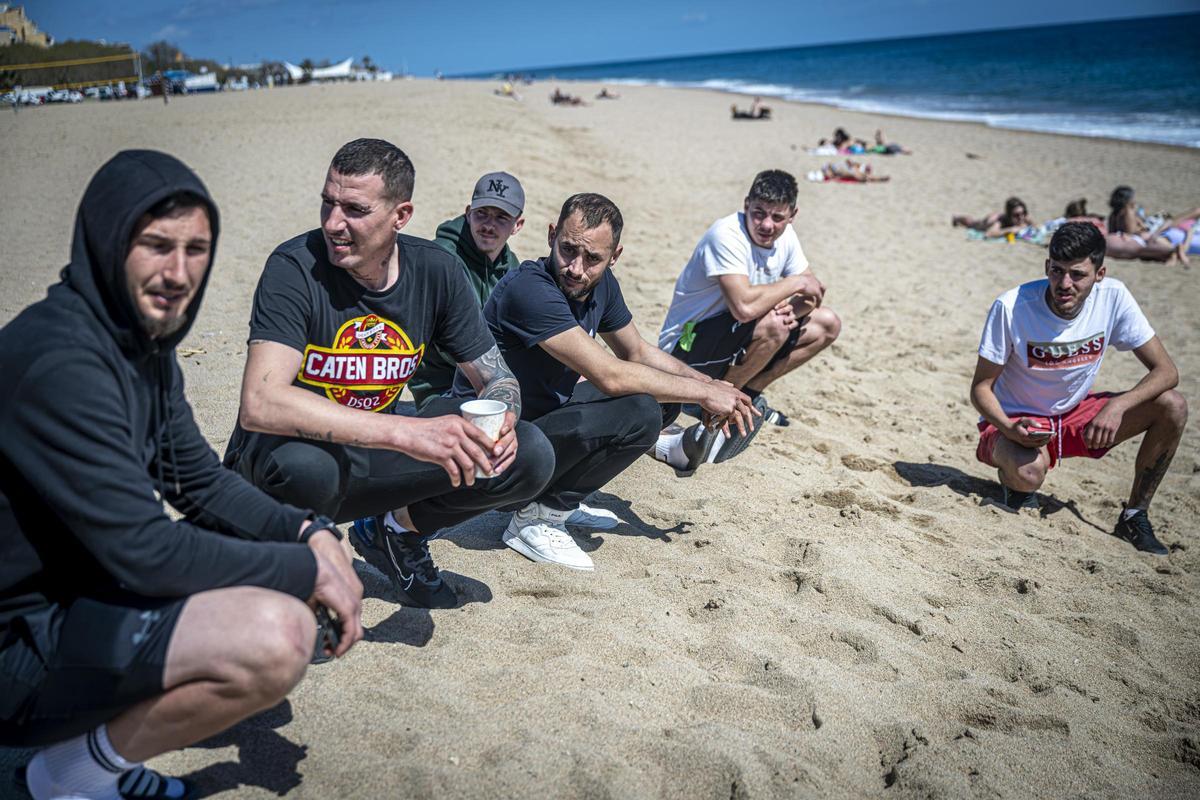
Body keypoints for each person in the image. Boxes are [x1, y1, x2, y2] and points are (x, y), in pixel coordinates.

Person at [0, 150, 364, 800]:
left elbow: (199, 483)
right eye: (156, 245)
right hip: (15, 641)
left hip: (78, 592)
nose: (178, 273)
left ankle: (78, 760)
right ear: (108, 244)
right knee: (278, 636)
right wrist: (310, 572)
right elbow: (146, 552)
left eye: (197, 249)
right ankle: (58, 778)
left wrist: (309, 532)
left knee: (277, 575)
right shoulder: (63, 364)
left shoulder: (142, 343)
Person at [223, 139, 555, 609]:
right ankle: (290, 581)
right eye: (328, 203)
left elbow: (496, 378)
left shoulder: (435, 271)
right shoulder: (294, 267)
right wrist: (407, 433)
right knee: (311, 468)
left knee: (529, 454)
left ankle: (396, 531)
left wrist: (502, 415)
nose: (334, 223)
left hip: (366, 453)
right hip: (280, 465)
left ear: (401, 215)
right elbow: (261, 403)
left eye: (355, 210)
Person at [452, 193, 756, 571]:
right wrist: (706, 394)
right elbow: (609, 375)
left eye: (592, 258)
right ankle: (537, 517)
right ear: (551, 236)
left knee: (662, 399)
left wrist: (711, 385)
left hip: (538, 422)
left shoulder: (602, 284)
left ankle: (554, 497)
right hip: (494, 452)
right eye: (567, 250)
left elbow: (639, 352)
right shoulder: (529, 289)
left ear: (615, 256)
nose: (576, 268)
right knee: (642, 410)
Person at [970, 222, 1187, 554]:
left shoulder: (1113, 297)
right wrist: (1009, 428)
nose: (1064, 284)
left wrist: (1118, 407)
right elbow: (981, 388)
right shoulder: (1013, 307)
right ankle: (1015, 482)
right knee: (1028, 473)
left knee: (1172, 406)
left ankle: (1134, 514)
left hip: (1075, 415)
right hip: (1017, 421)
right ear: (1047, 267)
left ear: (1099, 274)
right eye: (1057, 271)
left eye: (1077, 274)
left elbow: (1166, 371)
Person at [659, 169, 841, 451]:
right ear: (746, 205)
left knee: (827, 323)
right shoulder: (726, 234)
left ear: (792, 215)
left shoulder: (787, 237)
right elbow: (744, 307)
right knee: (774, 325)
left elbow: (813, 295)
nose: (767, 224)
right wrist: (795, 283)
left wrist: (794, 304)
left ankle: (748, 395)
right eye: (759, 213)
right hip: (685, 345)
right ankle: (719, 406)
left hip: (733, 338)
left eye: (777, 217)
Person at [407, 171, 525, 409]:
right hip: (440, 390)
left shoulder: (511, 266)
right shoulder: (441, 260)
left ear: (518, 225)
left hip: (491, 381)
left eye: (502, 217)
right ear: (468, 213)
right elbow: (453, 342)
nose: (489, 225)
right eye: (482, 214)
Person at [952, 197, 1031, 238]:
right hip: (986, 223)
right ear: (1009, 215)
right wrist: (1010, 230)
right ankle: (957, 217)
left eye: (1023, 213)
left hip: (997, 216)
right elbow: (989, 234)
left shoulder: (1023, 217)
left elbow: (1037, 226)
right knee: (971, 223)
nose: (1021, 217)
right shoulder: (1000, 222)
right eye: (1016, 215)